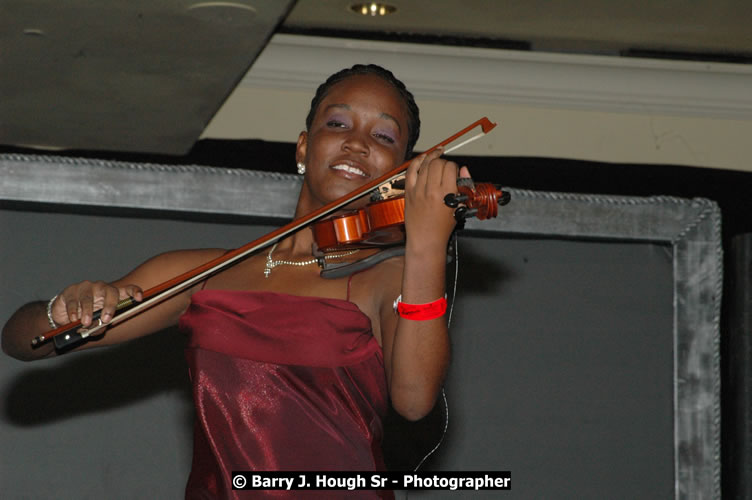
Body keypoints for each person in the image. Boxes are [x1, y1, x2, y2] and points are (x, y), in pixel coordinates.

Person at [2, 64, 468, 499]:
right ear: (304, 147)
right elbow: (24, 341)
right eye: (338, 125)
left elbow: (413, 400)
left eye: (383, 135)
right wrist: (61, 310)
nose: (357, 143)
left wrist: (426, 246)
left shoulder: (387, 279)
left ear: (402, 171)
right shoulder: (203, 275)